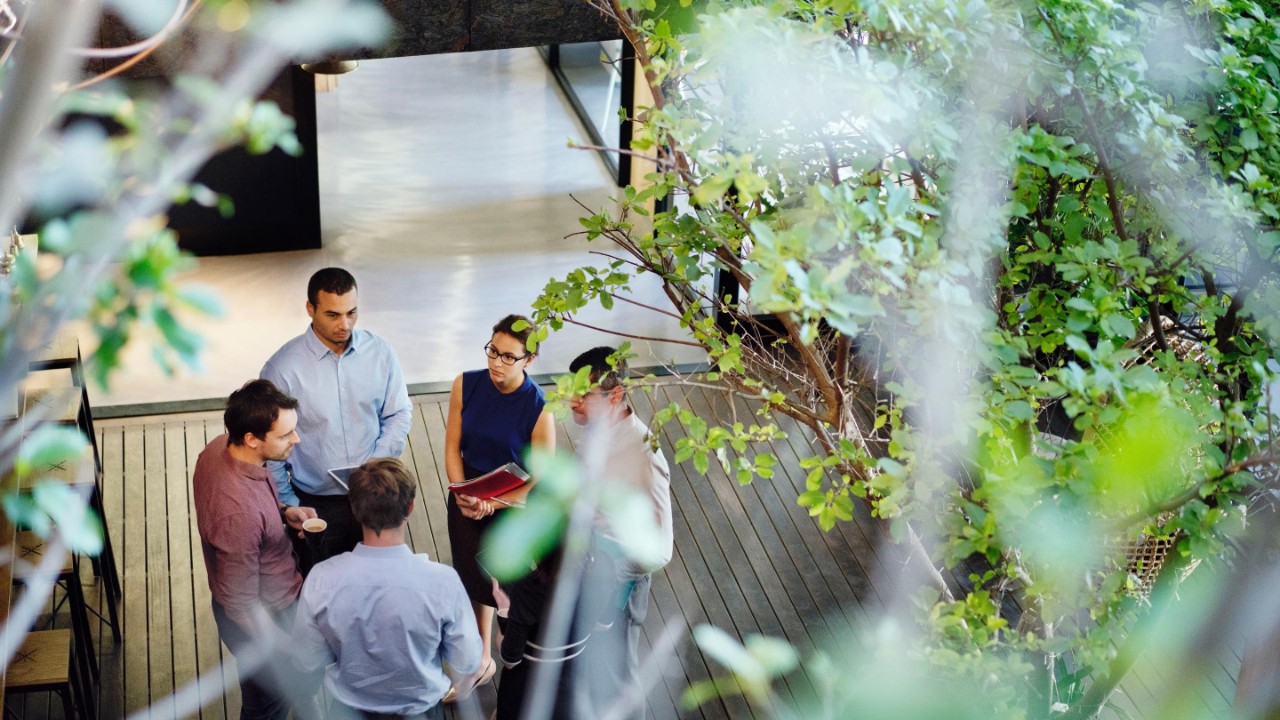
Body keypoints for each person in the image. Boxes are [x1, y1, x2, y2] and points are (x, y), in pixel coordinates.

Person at [291, 458, 482, 720]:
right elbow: (468, 661)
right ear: (411, 506)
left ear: (354, 509)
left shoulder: (322, 579)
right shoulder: (443, 582)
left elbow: (305, 659)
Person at [261, 267, 412, 566]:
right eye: (332, 315)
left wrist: (375, 464)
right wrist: (290, 503)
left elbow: (398, 413)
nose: (345, 324)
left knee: (379, 582)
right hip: (317, 504)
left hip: (375, 492)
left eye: (352, 313)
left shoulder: (381, 352)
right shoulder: (282, 369)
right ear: (310, 309)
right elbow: (271, 444)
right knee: (317, 587)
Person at [443, 313, 556, 701]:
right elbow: (452, 446)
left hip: (512, 502)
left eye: (509, 357)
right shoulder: (466, 384)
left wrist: (493, 504)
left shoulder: (540, 406)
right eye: (493, 351)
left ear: (529, 360)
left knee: (506, 584)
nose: (496, 362)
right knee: (472, 577)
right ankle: (480, 658)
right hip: (469, 492)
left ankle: (512, 662)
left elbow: (541, 478)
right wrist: (461, 491)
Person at [192, 379, 317, 720]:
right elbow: (242, 605)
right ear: (252, 439)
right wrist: (287, 649)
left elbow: (252, 518)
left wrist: (281, 514)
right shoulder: (238, 514)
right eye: (285, 435)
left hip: (269, 596)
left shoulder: (217, 448)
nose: (296, 439)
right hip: (269, 618)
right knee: (267, 707)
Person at [567, 346, 673, 719]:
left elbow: (659, 550)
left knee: (617, 681)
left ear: (615, 395)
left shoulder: (645, 455)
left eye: (583, 395)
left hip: (615, 587)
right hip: (585, 570)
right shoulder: (595, 433)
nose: (572, 402)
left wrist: (607, 574)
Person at [491, 537, 615, 720]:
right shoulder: (604, 565)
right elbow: (604, 624)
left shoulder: (529, 586)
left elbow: (510, 659)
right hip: (576, 680)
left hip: (527, 689)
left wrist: (504, 612)